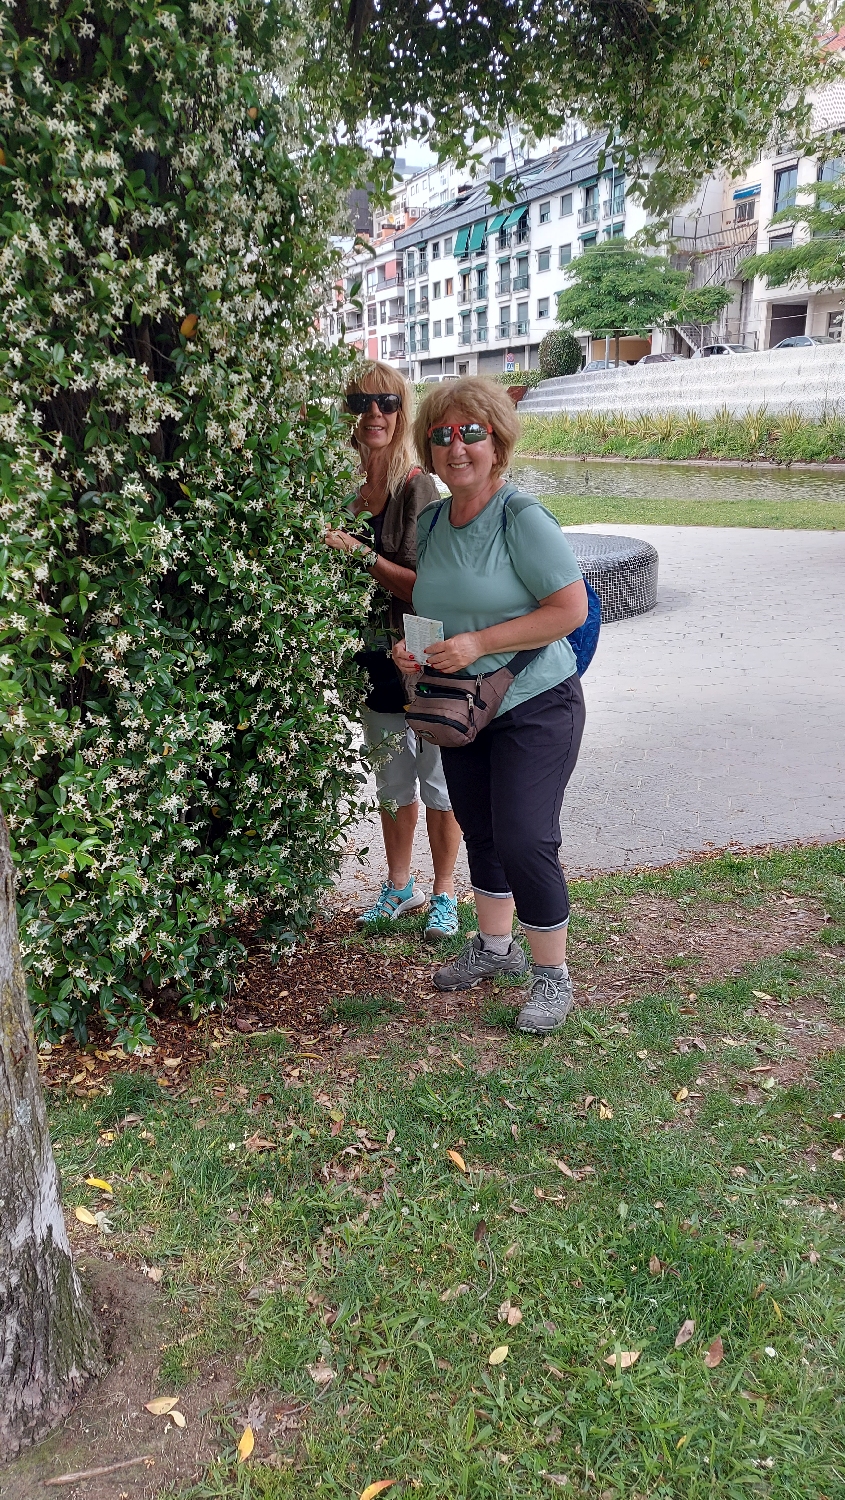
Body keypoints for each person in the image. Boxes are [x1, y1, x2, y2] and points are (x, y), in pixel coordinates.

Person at [392, 377, 588, 1033]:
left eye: (470, 432)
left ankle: (551, 976)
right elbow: (432, 608)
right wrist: (414, 654)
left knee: (527, 836)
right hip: (465, 708)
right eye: (442, 435)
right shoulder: (431, 522)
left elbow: (569, 609)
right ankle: (496, 948)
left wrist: (481, 641)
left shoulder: (520, 517)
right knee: (482, 829)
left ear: (496, 440)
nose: (456, 448)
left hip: (535, 702)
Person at [325, 362, 463, 941]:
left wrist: (359, 555)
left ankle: (444, 894)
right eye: (361, 403)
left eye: (385, 402)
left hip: (423, 646)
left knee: (437, 777)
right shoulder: (346, 491)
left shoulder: (418, 486)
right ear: (350, 416)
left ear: (401, 410)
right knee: (391, 777)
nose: (374, 414)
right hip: (371, 652)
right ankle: (399, 884)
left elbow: (422, 585)